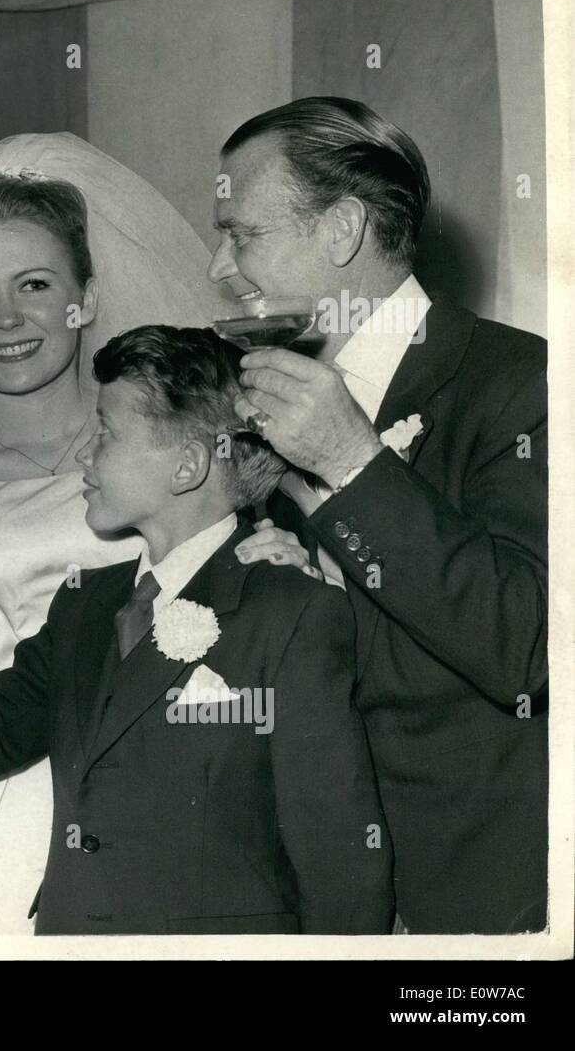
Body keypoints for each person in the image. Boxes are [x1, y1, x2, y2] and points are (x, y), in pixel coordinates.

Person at [0, 136, 318, 934]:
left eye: (35, 284)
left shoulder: (185, 460)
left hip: (175, 839)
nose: (7, 318)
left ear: (87, 293)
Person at [0, 325, 394, 935]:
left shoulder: (290, 609)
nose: (83, 456)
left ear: (189, 465)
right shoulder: (84, 606)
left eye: (107, 434)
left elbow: (341, 865)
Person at [211, 97, 547, 933]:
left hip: (479, 896)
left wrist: (354, 463)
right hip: (307, 899)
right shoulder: (264, 399)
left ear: (342, 230)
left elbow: (531, 641)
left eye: (241, 233)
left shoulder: (524, 383)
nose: (221, 266)